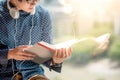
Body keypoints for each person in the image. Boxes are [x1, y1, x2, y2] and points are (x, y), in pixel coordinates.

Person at [0, 0, 72, 80]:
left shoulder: (44, 15)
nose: (34, 3)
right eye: (29, 0)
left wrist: (55, 60)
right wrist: (10, 53)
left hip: (33, 74)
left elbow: (45, 54)